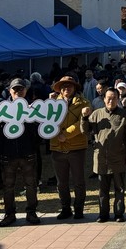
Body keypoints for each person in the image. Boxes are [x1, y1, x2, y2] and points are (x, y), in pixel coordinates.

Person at [0, 78, 41, 226]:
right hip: (8, 153)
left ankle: (31, 212)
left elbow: (39, 131)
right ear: (10, 91)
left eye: (21, 89)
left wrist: (31, 119)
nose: (18, 92)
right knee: (8, 186)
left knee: (31, 184)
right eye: (15, 89)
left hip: (28, 152)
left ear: (26, 90)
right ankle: (9, 213)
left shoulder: (33, 108)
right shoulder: (2, 108)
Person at [81, 87, 126, 222]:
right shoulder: (96, 114)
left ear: (118, 99)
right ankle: (103, 214)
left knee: (119, 188)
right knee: (103, 190)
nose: (111, 101)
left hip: (118, 156)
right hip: (101, 157)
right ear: (104, 99)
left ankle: (119, 214)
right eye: (108, 98)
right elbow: (85, 131)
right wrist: (84, 118)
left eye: (114, 98)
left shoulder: (125, 115)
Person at [48, 75, 91, 220]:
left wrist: (66, 134)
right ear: (59, 89)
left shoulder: (84, 103)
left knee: (79, 181)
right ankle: (65, 208)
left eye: (69, 86)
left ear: (75, 88)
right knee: (61, 182)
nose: (66, 88)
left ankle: (79, 208)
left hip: (77, 147)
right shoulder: (53, 103)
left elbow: (82, 123)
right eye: (63, 86)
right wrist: (49, 104)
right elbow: (46, 121)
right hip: (57, 147)